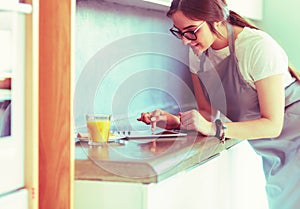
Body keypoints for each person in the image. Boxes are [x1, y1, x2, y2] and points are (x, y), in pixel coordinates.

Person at [137, 0, 300, 208]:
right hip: (274, 151)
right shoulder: (199, 56)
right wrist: (176, 122)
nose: (186, 41)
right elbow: (206, 113)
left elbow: (272, 124)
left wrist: (214, 128)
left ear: (216, 19)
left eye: (191, 31)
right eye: (179, 32)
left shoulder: (256, 47)